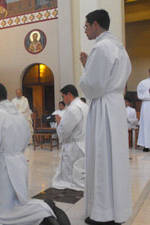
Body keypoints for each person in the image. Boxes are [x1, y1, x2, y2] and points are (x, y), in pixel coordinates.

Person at [0, 83, 55, 224]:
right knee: (16, 200)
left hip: (2, 164)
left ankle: (41, 211)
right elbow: (26, 138)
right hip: (18, 161)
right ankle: (40, 210)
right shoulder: (19, 116)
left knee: (2, 210)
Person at [79, 9, 132, 225]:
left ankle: (102, 214)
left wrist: (85, 68)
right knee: (114, 159)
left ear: (95, 25)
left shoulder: (101, 47)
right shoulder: (119, 47)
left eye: (86, 26)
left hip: (102, 107)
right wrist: (89, 66)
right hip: (115, 104)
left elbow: (92, 86)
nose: (85, 30)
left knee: (101, 157)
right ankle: (117, 210)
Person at [52, 85, 88, 191]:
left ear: (69, 95)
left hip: (74, 145)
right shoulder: (84, 106)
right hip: (84, 142)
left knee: (71, 170)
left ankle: (71, 184)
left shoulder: (73, 108)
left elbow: (65, 130)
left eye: (63, 96)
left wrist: (59, 122)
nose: (63, 99)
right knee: (80, 168)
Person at [137, 68, 150, 152]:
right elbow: (140, 95)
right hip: (147, 105)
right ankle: (146, 145)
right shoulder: (143, 83)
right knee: (146, 124)